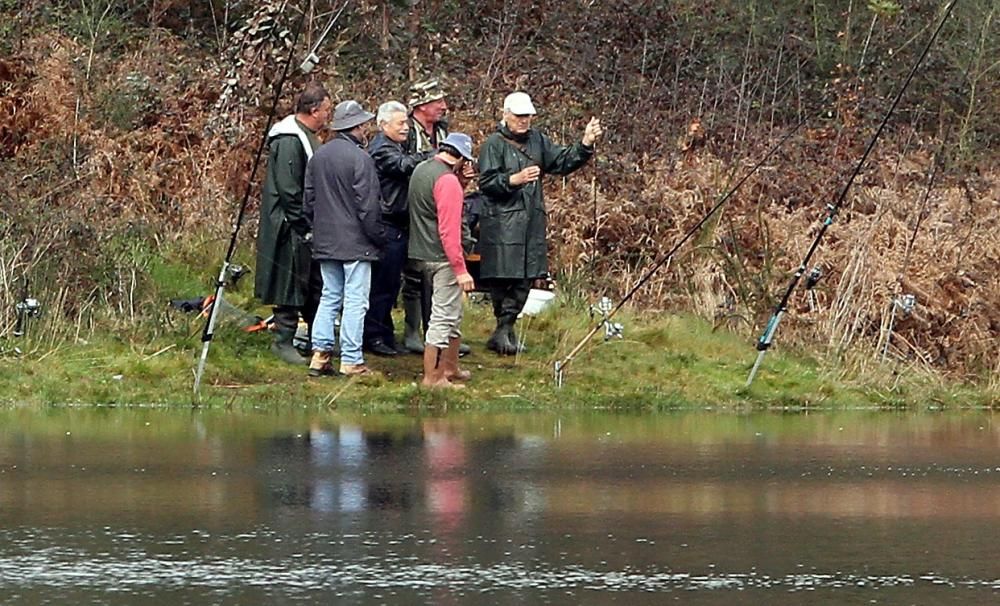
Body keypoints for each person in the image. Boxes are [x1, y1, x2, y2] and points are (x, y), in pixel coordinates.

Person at [477, 91, 603, 355]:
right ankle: (503, 330)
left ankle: (505, 329)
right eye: (520, 116)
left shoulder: (538, 141)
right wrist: (514, 179)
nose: (525, 121)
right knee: (502, 278)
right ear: (506, 114)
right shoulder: (493, 144)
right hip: (501, 223)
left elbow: (562, 161)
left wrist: (585, 144)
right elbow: (486, 183)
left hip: (531, 222)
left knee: (526, 277)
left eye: (528, 116)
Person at [304, 100, 385, 377]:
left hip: (325, 241)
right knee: (355, 301)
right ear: (357, 127)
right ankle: (351, 359)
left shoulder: (319, 156)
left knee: (329, 296)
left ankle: (320, 354)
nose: (366, 129)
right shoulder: (361, 159)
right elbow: (369, 207)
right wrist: (378, 238)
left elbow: (309, 201)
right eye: (364, 125)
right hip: (356, 243)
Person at [254, 83, 331, 365]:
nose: (327, 116)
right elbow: (289, 189)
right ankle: (283, 340)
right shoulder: (289, 139)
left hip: (302, 223)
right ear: (313, 110)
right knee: (288, 279)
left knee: (312, 282)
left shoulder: (307, 136)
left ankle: (315, 339)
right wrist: (302, 224)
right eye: (326, 110)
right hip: (287, 225)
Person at [363, 101, 433, 357]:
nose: (407, 128)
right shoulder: (382, 149)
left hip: (399, 223)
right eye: (401, 123)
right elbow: (403, 166)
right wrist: (433, 156)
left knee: (391, 285)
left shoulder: (397, 146)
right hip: (387, 224)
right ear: (383, 125)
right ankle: (374, 336)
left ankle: (384, 333)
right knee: (382, 285)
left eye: (407, 122)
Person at [407, 133, 477, 388]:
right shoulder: (447, 181)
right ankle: (433, 377)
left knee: (453, 313)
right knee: (443, 316)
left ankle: (451, 367)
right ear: (459, 158)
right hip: (442, 256)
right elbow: (449, 229)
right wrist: (460, 269)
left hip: (420, 251)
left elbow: (429, 207)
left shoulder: (423, 170)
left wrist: (460, 184)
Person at [400, 78, 450, 354]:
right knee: (415, 273)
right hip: (411, 208)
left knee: (438, 272)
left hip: (439, 207)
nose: (443, 106)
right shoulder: (406, 133)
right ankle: (411, 331)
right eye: (437, 101)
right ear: (421, 105)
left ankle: (438, 333)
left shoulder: (443, 131)